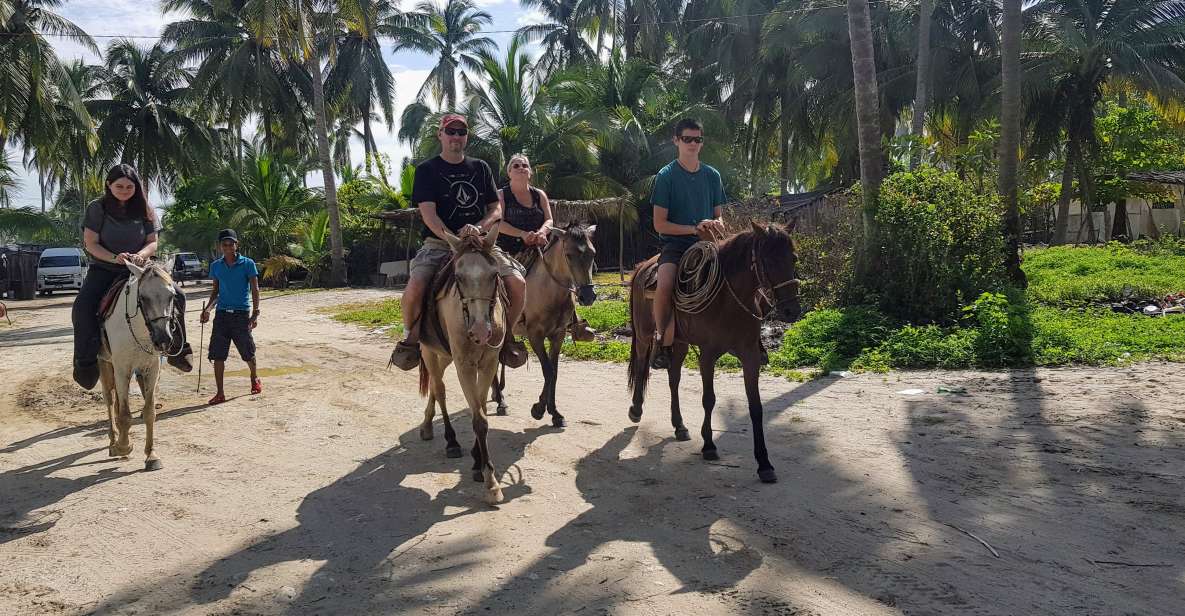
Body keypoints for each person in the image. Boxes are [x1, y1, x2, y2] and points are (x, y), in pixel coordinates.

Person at [388, 114, 528, 370]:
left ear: (467, 136)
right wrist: (453, 238)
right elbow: (429, 215)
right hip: (440, 244)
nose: (456, 136)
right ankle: (411, 338)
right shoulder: (427, 171)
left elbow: (496, 210)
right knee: (415, 287)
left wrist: (479, 228)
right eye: (450, 131)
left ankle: (507, 336)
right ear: (440, 135)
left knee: (518, 283)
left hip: (480, 244)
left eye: (461, 132)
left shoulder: (481, 168)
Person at [72, 164, 193, 389]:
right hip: (105, 268)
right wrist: (115, 257)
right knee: (82, 306)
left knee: (179, 295)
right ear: (109, 185)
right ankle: (85, 363)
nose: (125, 190)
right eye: (120, 186)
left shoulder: (146, 208)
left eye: (130, 186)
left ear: (136, 187)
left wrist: (139, 256)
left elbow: (152, 242)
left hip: (142, 267)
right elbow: (91, 243)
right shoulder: (97, 208)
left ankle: (179, 349)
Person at [650, 118, 727, 369]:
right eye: (687, 139)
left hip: (709, 244)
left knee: (746, 275)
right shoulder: (665, 176)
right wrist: (693, 228)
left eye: (697, 139)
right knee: (665, 284)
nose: (693, 143)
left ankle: (750, 339)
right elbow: (659, 224)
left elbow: (719, 215)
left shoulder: (712, 176)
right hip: (676, 246)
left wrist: (716, 224)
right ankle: (662, 341)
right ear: (676, 141)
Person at [496, 153, 595, 342]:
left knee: (563, 270)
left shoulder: (538, 194)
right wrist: (522, 234)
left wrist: (542, 232)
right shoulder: (502, 195)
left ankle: (574, 322)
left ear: (530, 172)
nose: (520, 168)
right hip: (509, 249)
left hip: (539, 246)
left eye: (524, 165)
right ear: (509, 172)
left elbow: (549, 219)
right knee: (503, 281)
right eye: (515, 166)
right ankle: (505, 324)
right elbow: (498, 223)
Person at [199, 229, 261, 405]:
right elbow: (215, 291)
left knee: (248, 351)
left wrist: (255, 313)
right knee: (217, 354)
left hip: (241, 314)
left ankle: (254, 378)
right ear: (220, 247)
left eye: (231, 244)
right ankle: (220, 393)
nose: (228, 247)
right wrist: (208, 310)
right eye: (224, 244)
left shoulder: (248, 264)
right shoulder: (216, 266)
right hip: (221, 316)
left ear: (236, 244)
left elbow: (255, 290)